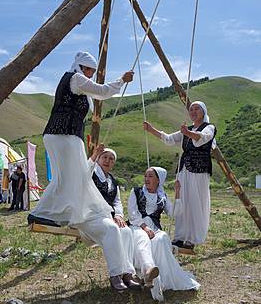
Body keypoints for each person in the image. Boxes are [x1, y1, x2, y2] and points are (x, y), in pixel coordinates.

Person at [28, 51, 135, 291]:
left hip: (63, 135)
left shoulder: (74, 81)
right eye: (91, 71)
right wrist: (122, 80)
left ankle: (45, 212)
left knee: (69, 178)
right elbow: (104, 91)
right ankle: (42, 212)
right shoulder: (75, 79)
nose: (91, 75)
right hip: (64, 134)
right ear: (83, 67)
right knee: (70, 178)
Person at [143, 101, 217, 249]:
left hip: (200, 169)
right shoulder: (187, 129)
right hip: (184, 169)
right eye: (191, 109)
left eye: (197, 109)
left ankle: (193, 238)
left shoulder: (209, 127)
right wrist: (151, 130)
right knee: (182, 200)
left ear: (203, 112)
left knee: (196, 202)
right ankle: (180, 236)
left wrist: (187, 133)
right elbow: (169, 139)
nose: (194, 112)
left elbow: (202, 137)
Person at [128, 166, 200, 300]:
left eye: (150, 176)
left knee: (163, 238)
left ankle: (162, 278)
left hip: (154, 228)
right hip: (137, 226)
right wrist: (144, 227)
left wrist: (177, 193)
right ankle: (148, 271)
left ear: (158, 180)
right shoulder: (136, 192)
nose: (146, 179)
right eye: (145, 175)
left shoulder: (162, 196)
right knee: (143, 238)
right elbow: (132, 214)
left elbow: (174, 213)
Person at [88, 146, 141, 290]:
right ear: (99, 159)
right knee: (112, 229)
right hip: (90, 216)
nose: (107, 160)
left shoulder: (113, 181)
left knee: (125, 230)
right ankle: (115, 275)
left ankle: (127, 273)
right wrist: (95, 154)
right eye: (104, 157)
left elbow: (117, 202)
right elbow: (84, 169)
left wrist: (118, 215)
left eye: (111, 159)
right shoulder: (90, 172)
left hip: (107, 217)